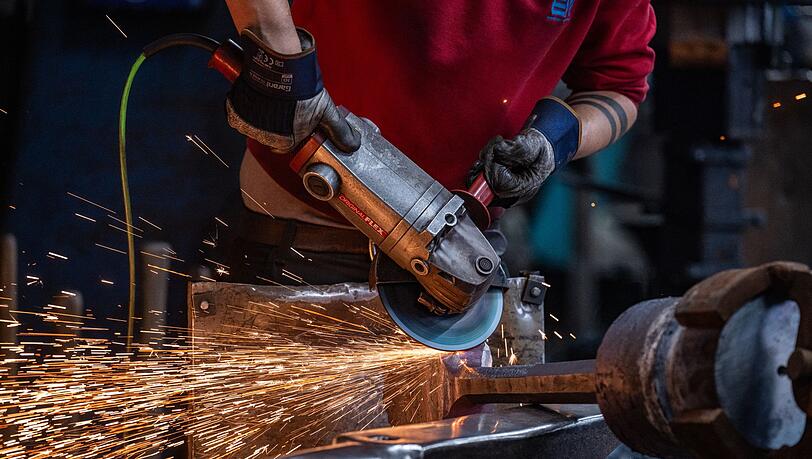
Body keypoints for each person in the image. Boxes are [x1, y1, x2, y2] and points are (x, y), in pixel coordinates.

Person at [218, 0, 656, 286]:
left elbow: (619, 86)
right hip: (307, 223)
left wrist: (555, 141)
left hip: (462, 247)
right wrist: (278, 63)